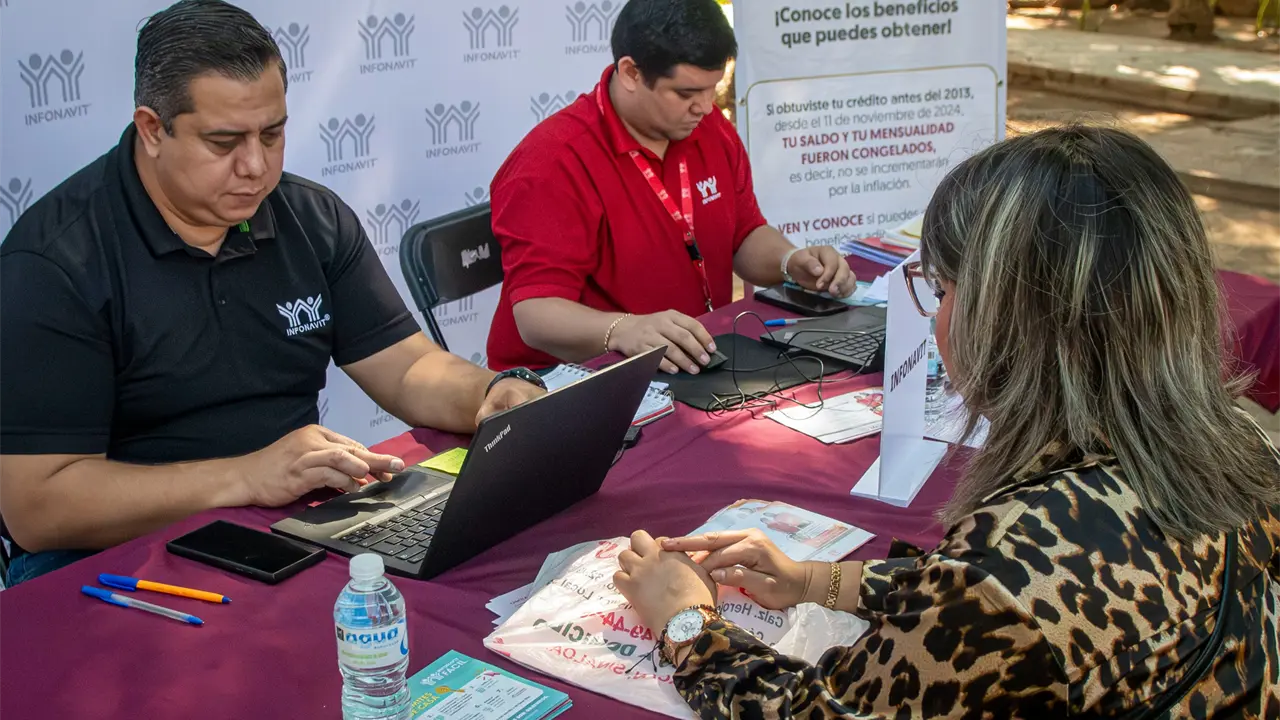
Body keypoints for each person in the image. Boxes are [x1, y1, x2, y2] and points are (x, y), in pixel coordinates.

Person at [613, 126, 1280, 717]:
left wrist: (685, 621)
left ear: (1008, 317)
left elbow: (822, 708)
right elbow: (1010, 601)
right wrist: (819, 581)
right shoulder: (1240, 445)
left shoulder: (1014, 561)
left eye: (943, 288)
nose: (934, 318)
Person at [0, 0, 545, 587]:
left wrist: (489, 394)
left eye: (273, 132)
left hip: (291, 521)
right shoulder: (56, 260)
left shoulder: (309, 217)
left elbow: (406, 366)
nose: (256, 166)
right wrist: (246, 477)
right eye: (223, 141)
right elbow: (38, 508)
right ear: (153, 130)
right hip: (114, 561)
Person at [486, 0, 854, 375]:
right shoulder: (551, 164)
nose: (706, 107)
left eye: (714, 88)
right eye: (686, 93)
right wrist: (625, 329)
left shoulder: (709, 130)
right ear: (631, 73)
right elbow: (535, 315)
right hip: (575, 382)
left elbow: (742, 235)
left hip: (688, 361)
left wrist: (790, 262)